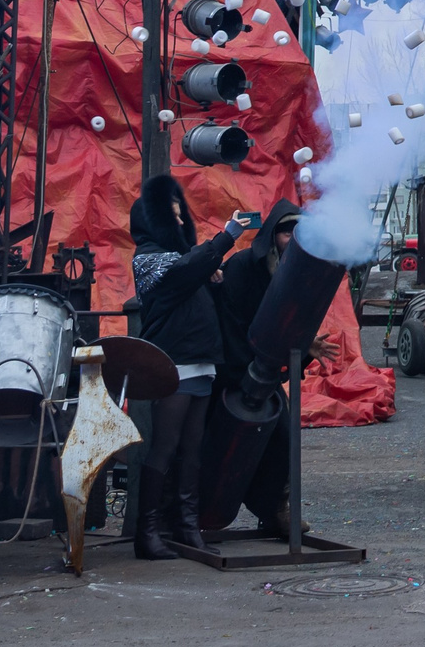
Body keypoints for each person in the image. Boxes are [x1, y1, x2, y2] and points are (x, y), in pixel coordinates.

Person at [128, 175, 258, 558]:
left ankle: (186, 525)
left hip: (201, 359)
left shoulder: (186, 263)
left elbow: (192, 275)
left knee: (192, 448)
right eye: (171, 215)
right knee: (165, 445)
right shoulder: (148, 260)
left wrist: (212, 277)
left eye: (179, 212)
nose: (180, 220)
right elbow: (184, 270)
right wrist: (228, 235)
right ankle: (147, 532)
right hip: (174, 360)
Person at [214, 200, 337, 538]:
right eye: (286, 232)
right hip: (231, 369)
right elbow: (228, 321)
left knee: (283, 437)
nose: (293, 238)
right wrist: (244, 367)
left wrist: (302, 344)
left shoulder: (297, 275)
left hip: (264, 372)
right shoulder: (242, 267)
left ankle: (275, 509)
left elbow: (292, 321)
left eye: (300, 232)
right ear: (271, 236)